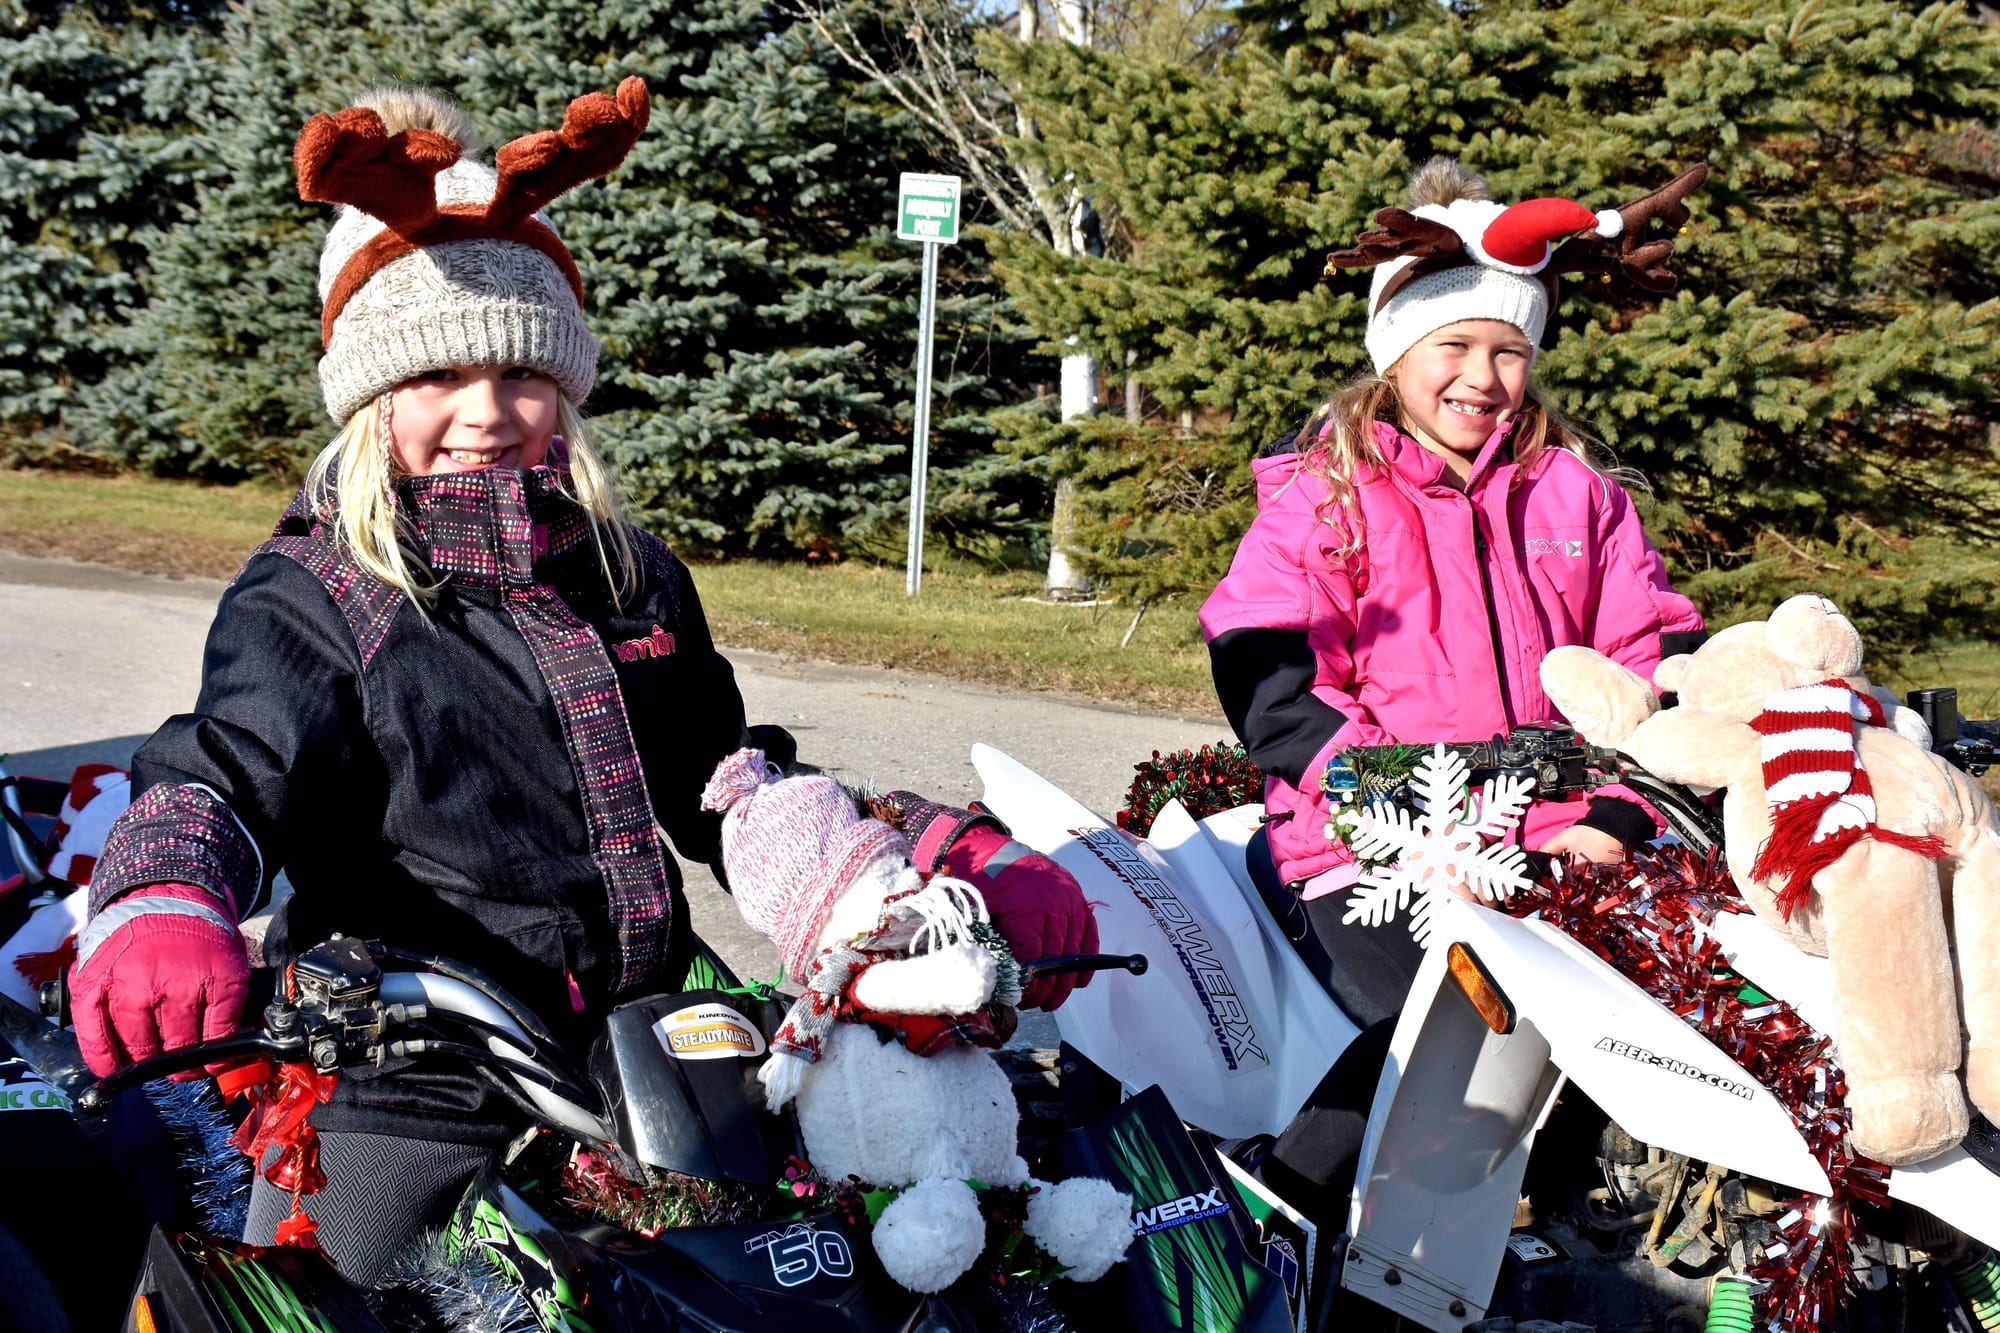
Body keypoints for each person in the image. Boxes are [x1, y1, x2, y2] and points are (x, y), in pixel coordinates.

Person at [65, 77, 1093, 1285]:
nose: (488, 413)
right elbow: (229, 771)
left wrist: (924, 865)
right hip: (412, 1060)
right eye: (437, 378)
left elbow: (726, 780)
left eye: (521, 372)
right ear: (369, 398)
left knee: (796, 1270)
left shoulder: (627, 572)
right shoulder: (317, 591)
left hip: (649, 1041)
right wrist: (167, 893)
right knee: (327, 1288)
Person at [1199, 157, 1709, 1215]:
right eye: (1455, 346)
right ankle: (1273, 1219)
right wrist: (1408, 808)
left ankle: (1558, 1231)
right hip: (1372, 849)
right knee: (1441, 1028)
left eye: (1509, 350)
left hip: (1562, 835)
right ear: (1396, 351)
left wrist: (1618, 811)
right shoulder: (1329, 497)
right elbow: (1269, 676)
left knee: (1689, 1008)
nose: (1483, 376)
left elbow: (1652, 659)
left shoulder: (1576, 495)